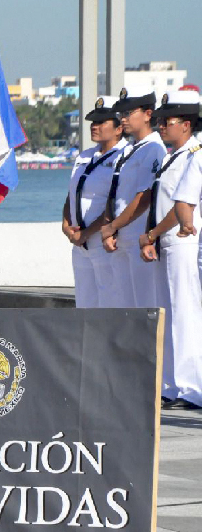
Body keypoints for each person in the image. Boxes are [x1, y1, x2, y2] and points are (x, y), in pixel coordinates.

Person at [139, 90, 202, 410]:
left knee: (184, 313)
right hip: (166, 241)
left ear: (187, 125)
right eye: (160, 121)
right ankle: (173, 384)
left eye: (168, 121)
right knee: (168, 311)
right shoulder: (171, 155)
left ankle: (191, 386)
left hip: (182, 239)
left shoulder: (194, 153)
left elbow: (180, 206)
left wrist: (151, 233)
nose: (161, 126)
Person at [99, 87, 165, 308]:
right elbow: (115, 191)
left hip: (139, 236)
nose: (123, 119)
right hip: (120, 237)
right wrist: (110, 227)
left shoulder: (154, 149)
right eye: (121, 114)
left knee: (144, 304)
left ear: (148, 114)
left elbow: (145, 196)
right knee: (124, 305)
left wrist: (112, 226)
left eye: (129, 113)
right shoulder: (129, 150)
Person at [61, 96, 128, 308]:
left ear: (119, 128)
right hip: (80, 245)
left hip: (104, 243)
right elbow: (73, 194)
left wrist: (87, 233)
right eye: (93, 122)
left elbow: (114, 203)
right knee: (84, 304)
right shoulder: (85, 156)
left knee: (109, 304)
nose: (95, 126)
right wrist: (65, 225)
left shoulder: (124, 156)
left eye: (101, 122)